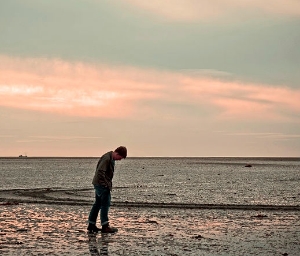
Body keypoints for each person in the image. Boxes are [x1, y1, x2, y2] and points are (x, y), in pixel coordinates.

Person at [87, 146, 127, 233]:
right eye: (120, 158)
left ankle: (91, 224)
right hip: (101, 185)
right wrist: (105, 184)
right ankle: (105, 226)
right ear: (117, 153)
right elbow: (100, 172)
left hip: (98, 183)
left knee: (97, 204)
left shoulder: (110, 157)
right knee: (105, 204)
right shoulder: (107, 158)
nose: (119, 160)